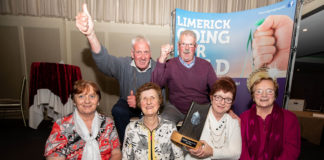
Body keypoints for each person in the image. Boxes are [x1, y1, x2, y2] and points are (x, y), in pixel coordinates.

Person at [76, 4, 156, 144]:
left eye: (146, 52)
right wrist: (91, 35)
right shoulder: (123, 64)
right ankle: (125, 145)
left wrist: (139, 102)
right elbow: (104, 60)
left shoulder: (158, 68)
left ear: (150, 53)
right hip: (127, 104)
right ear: (132, 53)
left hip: (151, 106)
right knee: (118, 110)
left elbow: (162, 98)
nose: (143, 57)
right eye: (138, 52)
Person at [152, 30, 217, 124]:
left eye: (190, 44)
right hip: (175, 109)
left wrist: (228, 110)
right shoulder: (170, 64)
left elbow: (216, 90)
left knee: (192, 133)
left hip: (199, 109)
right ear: (178, 46)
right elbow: (155, 85)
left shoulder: (206, 66)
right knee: (163, 125)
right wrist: (162, 58)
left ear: (195, 47)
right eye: (183, 44)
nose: (187, 48)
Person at [44, 80, 121, 160]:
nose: (87, 101)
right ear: (74, 101)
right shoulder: (62, 125)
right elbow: (54, 156)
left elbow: (116, 152)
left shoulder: (108, 123)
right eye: (81, 96)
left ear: (98, 101)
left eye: (92, 96)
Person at [240, 67, 300, 159]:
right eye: (259, 91)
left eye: (269, 91)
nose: (264, 95)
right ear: (253, 96)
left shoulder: (290, 118)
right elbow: (241, 147)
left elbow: (292, 149)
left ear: (275, 95)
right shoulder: (244, 118)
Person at [122, 82, 184, 160]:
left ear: (159, 102)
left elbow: (179, 157)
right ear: (139, 103)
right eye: (144, 98)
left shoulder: (170, 127)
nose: (148, 102)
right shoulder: (131, 128)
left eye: (153, 97)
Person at [185, 77, 241, 160]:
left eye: (228, 99)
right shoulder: (197, 115)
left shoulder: (233, 122)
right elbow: (184, 142)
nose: (222, 102)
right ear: (211, 98)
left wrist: (212, 152)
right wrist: (189, 147)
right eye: (218, 97)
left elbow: (236, 154)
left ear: (232, 102)